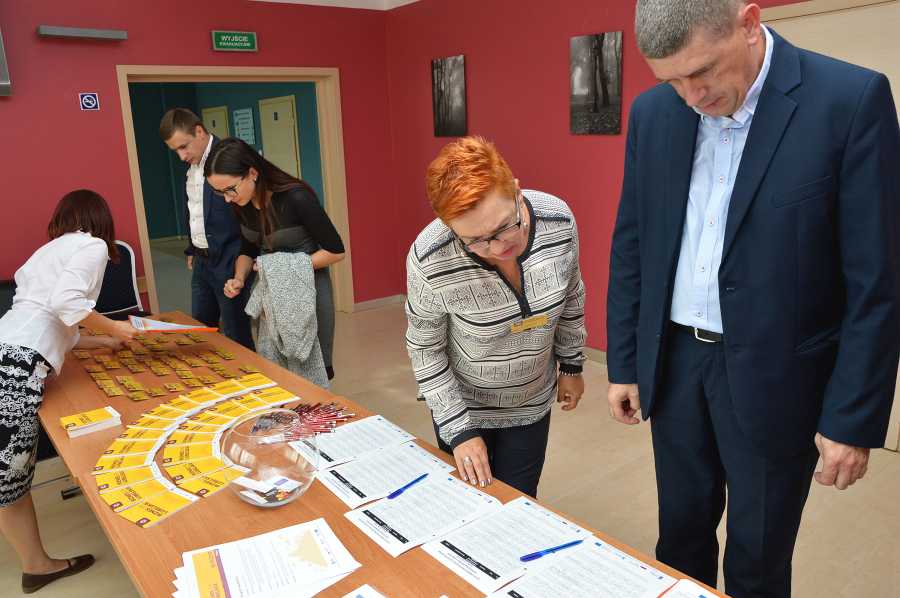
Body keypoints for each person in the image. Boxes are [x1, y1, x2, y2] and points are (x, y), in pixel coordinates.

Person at [606, 1, 900, 596]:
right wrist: (626, 361)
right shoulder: (653, 113)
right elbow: (634, 242)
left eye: (703, 71)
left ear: (748, 24)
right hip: (675, 364)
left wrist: (852, 416)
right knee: (679, 536)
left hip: (779, 374)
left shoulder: (848, 101)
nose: (692, 95)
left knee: (758, 554)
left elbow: (877, 280)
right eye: (673, 80)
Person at [406, 136, 587, 498]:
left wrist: (571, 366)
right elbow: (425, 349)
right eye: (476, 240)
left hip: (531, 400)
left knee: (519, 500)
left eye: (506, 226)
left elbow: (571, 297)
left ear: (517, 192)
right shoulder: (430, 258)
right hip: (465, 405)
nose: (498, 247)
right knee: (468, 505)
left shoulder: (558, 219)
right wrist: (459, 430)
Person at [0, 190, 139, 594]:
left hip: (7, 349)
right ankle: (37, 566)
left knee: (8, 478)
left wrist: (103, 342)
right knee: (9, 479)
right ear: (100, 221)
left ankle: (35, 564)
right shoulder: (92, 245)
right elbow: (66, 304)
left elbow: (51, 321)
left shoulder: (48, 252)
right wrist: (115, 327)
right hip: (16, 367)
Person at [204, 137, 345, 380]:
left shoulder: (296, 197)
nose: (227, 199)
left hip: (307, 291)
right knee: (277, 372)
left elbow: (336, 250)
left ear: (252, 173)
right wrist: (239, 278)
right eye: (219, 192)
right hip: (272, 297)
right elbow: (248, 248)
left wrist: (281, 268)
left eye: (229, 189)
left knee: (314, 371)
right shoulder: (241, 203)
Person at [159, 109, 254, 350]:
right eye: (175, 150)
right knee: (201, 330)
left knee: (236, 335)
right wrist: (193, 247)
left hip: (230, 259)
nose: (181, 156)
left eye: (183, 147)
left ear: (199, 132)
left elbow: (250, 212)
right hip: (202, 261)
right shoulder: (192, 165)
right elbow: (195, 209)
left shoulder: (228, 157)